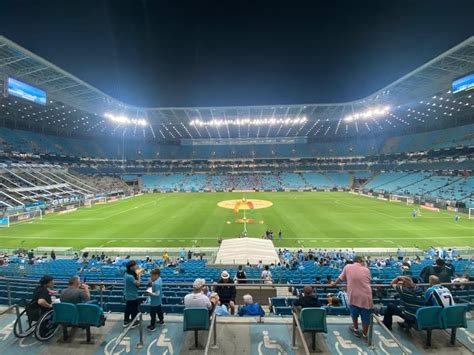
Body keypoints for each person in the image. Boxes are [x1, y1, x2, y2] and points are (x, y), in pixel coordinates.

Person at [331, 255, 373, 338]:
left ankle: (356, 329)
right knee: (366, 316)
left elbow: (340, 278)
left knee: (354, 314)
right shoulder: (367, 270)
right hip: (366, 296)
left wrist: (334, 284)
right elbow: (368, 280)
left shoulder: (348, 267)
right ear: (360, 261)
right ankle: (364, 334)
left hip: (353, 295)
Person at [123, 260, 141, 328]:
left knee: (128, 308)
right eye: (134, 266)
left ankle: (126, 321)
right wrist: (139, 275)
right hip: (132, 295)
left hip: (128, 294)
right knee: (133, 309)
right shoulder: (130, 276)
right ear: (131, 267)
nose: (136, 266)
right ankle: (134, 322)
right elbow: (138, 283)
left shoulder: (127, 273)